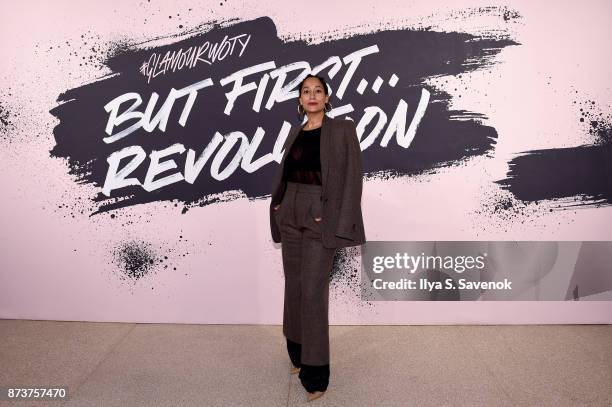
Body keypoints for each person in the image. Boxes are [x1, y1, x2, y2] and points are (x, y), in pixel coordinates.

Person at [269, 74, 366, 402]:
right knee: (293, 287)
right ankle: (296, 354)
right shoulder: (296, 131)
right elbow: (287, 175)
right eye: (306, 91)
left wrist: (339, 220)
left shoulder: (342, 130)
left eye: (318, 91)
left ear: (327, 97)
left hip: (318, 215)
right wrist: (281, 205)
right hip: (290, 215)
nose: (312, 96)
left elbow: (353, 178)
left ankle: (316, 373)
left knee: (312, 293)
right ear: (299, 99)